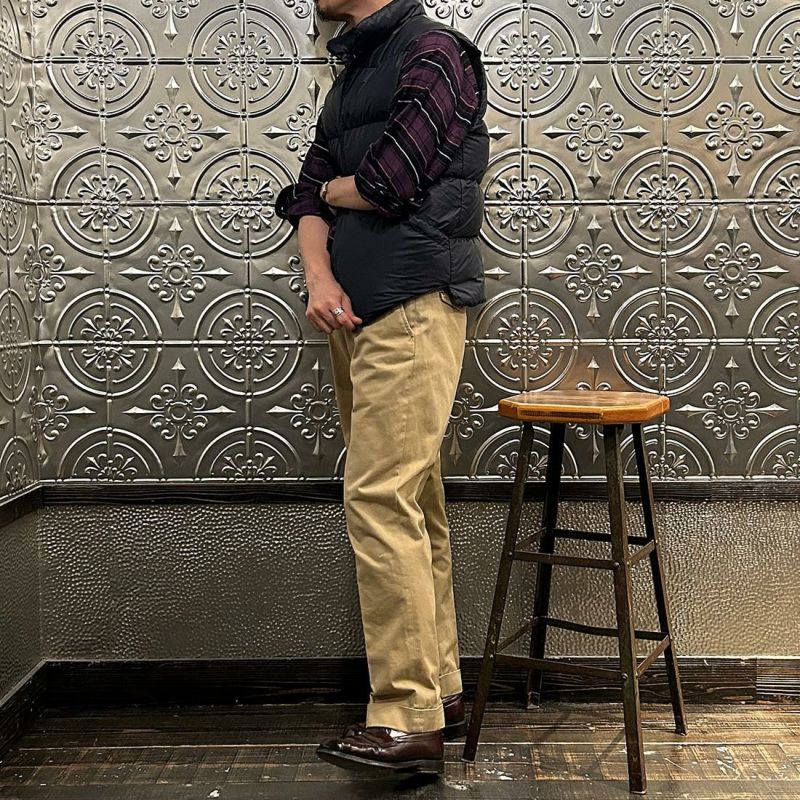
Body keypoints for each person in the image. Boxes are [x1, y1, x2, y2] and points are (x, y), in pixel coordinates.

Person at [274, 0, 489, 776]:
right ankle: (440, 691)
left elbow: (390, 182)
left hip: (414, 305)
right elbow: (305, 192)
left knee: (379, 496)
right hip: (353, 312)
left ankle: (405, 718)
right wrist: (319, 274)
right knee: (412, 499)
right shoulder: (356, 70)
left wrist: (339, 190)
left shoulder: (435, 54)